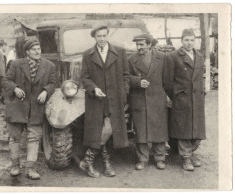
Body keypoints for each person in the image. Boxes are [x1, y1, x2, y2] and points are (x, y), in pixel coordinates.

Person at [80, 24, 130, 178]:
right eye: (98, 36)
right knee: (99, 131)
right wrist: (93, 89)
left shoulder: (120, 52)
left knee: (108, 129)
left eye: (104, 36)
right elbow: (84, 77)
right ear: (94, 38)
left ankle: (88, 160)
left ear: (107, 35)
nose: (101, 39)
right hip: (96, 99)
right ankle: (106, 164)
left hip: (115, 98)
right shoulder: (87, 54)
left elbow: (126, 76)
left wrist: (123, 93)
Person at [2, 38, 56, 179]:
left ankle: (30, 169)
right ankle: (15, 165)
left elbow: (53, 83)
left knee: (34, 138)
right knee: (15, 138)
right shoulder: (16, 64)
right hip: (17, 107)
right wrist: (15, 88)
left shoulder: (49, 66)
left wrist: (45, 91)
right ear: (27, 52)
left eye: (39, 49)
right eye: (34, 49)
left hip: (36, 108)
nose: (37, 51)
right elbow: (6, 80)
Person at [164, 29, 206, 171]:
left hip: (197, 99)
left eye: (192, 40)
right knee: (183, 129)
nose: (189, 43)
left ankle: (191, 154)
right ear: (181, 41)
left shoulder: (199, 56)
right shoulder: (173, 56)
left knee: (196, 128)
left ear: (195, 41)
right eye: (186, 40)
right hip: (182, 99)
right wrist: (176, 95)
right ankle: (186, 158)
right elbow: (167, 81)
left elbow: (200, 76)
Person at [128, 33, 168, 170]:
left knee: (159, 128)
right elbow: (126, 77)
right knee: (141, 130)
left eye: (142, 45)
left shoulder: (162, 58)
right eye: (137, 45)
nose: (139, 47)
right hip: (139, 98)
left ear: (150, 44)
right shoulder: (131, 59)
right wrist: (138, 81)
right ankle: (142, 159)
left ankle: (160, 158)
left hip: (158, 98)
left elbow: (168, 78)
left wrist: (167, 96)